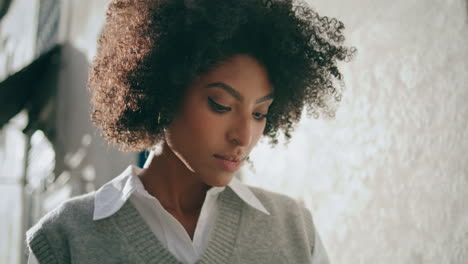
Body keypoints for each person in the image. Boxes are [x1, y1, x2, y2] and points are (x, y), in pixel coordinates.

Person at [26, 0, 355, 263]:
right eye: (220, 105)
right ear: (164, 92)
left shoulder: (293, 228)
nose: (243, 136)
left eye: (259, 113)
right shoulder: (65, 238)